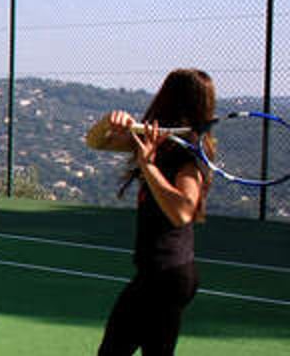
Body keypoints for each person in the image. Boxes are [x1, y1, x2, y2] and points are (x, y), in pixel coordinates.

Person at [87, 68, 215, 355]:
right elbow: (95, 141)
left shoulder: (189, 152)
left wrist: (148, 165)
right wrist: (108, 121)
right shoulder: (158, 141)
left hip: (165, 276)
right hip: (167, 273)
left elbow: (182, 212)